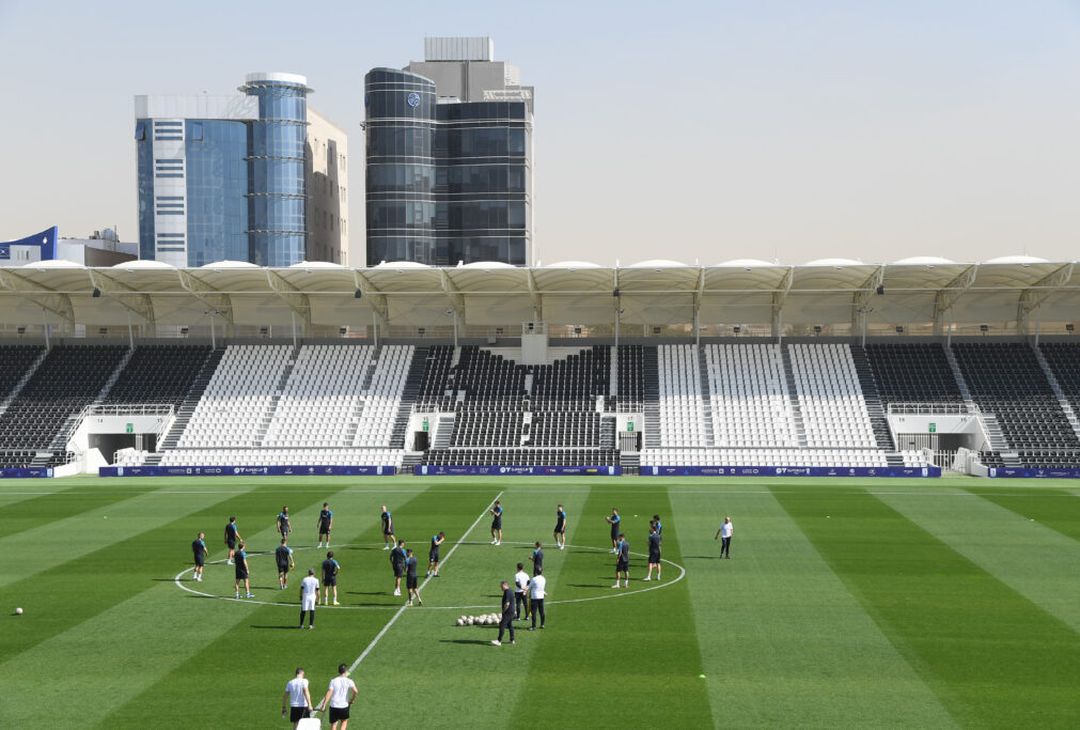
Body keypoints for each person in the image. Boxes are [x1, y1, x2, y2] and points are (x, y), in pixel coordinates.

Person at [317, 664, 357, 730]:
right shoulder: (349, 681)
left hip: (334, 706)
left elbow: (329, 692)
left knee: (334, 724)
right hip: (344, 706)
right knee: (344, 721)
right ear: (346, 671)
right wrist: (352, 699)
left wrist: (324, 704)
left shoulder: (333, 681)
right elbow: (355, 691)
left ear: (339, 671)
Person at [492, 580, 516, 646]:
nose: (501, 588)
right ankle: (512, 639)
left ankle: (499, 641)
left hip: (508, 611)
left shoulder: (507, 592)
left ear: (505, 585)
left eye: (501, 586)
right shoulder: (510, 591)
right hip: (511, 611)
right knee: (510, 625)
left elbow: (507, 604)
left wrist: (503, 610)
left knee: (502, 625)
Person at [528, 567, 547, 631]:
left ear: (535, 572)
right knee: (541, 611)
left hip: (534, 597)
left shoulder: (534, 579)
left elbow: (529, 587)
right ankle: (542, 624)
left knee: (533, 612)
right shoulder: (544, 579)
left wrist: (524, 589)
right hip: (541, 597)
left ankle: (533, 626)